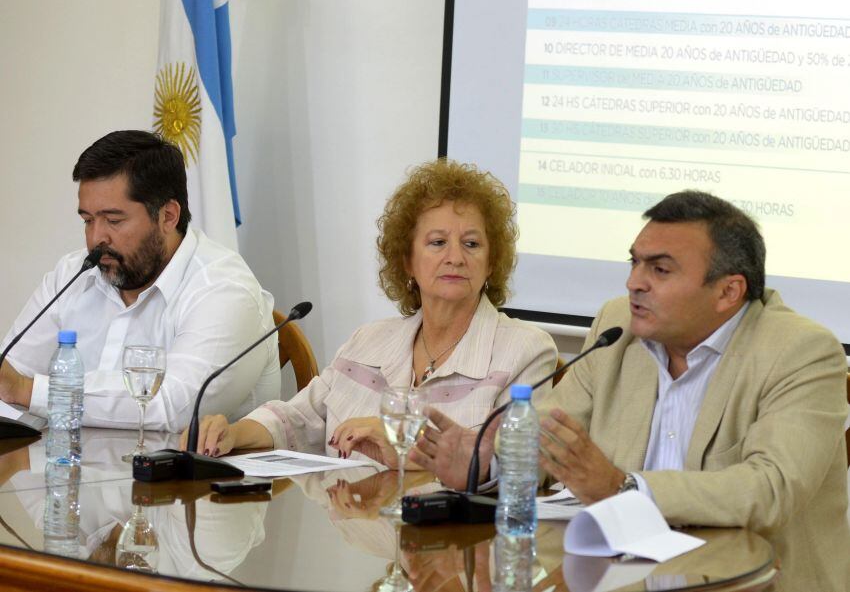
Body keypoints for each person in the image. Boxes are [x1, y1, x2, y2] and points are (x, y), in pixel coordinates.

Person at [412, 191, 850, 592]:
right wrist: (488, 461)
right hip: (623, 579)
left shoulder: (801, 352)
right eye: (635, 263)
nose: (634, 282)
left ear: (728, 291)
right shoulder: (617, 327)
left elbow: (770, 489)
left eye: (659, 269)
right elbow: (552, 439)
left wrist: (624, 488)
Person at [184, 159, 557, 464]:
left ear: (492, 263)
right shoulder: (370, 342)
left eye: (472, 243)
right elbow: (298, 418)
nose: (455, 257)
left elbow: (514, 461)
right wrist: (234, 433)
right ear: (407, 260)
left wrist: (403, 442)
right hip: (360, 534)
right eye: (438, 242)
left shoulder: (524, 351)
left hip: (457, 542)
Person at [0, 130, 280, 432]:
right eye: (87, 220)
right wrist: (14, 390)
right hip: (76, 471)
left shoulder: (224, 289)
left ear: (168, 216)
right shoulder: (73, 275)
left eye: (114, 221)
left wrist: (29, 391)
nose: (96, 238)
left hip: (194, 477)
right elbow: (9, 380)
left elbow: (176, 407)